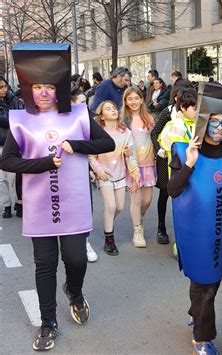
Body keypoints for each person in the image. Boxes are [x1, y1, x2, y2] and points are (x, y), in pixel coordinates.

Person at [0, 43, 115, 351]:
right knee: (44, 265)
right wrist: (42, 164)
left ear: (59, 88)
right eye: (37, 86)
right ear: (29, 88)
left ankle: (74, 291)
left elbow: (106, 144)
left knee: (76, 259)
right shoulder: (21, 120)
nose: (43, 93)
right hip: (39, 207)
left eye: (49, 86)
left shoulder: (78, 115)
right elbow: (7, 161)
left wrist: (76, 145)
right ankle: (48, 322)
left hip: (75, 203)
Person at [168, 82, 222, 354]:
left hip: (216, 233)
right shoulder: (184, 150)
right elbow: (172, 189)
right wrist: (190, 164)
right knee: (205, 285)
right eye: (214, 121)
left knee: (211, 281)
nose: (220, 127)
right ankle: (202, 337)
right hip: (193, 232)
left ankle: (196, 313)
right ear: (205, 121)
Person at [89, 100, 140, 256]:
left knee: (119, 207)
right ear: (102, 116)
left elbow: (131, 155)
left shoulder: (125, 132)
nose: (113, 110)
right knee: (110, 206)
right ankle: (109, 240)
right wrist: (98, 170)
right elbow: (91, 155)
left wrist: (135, 173)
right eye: (108, 109)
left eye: (114, 108)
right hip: (104, 174)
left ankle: (108, 221)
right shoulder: (97, 132)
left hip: (120, 174)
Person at [150, 82, 193, 244]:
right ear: (175, 97)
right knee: (165, 192)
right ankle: (161, 227)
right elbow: (155, 132)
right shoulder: (167, 112)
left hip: (186, 160)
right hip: (166, 158)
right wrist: (158, 150)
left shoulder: (193, 114)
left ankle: (185, 229)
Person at [121, 86, 156, 247]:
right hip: (132, 166)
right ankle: (137, 231)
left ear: (141, 99)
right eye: (130, 99)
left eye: (136, 98)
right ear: (126, 101)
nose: (133, 102)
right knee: (136, 199)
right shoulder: (122, 120)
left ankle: (139, 218)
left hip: (148, 164)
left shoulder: (149, 118)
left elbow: (156, 138)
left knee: (147, 200)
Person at [0, 75, 23, 219]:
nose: (3, 90)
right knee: (1, 179)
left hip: (14, 143)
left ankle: (18, 203)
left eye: (4, 86)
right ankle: (6, 205)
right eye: (0, 87)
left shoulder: (15, 99)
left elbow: (20, 118)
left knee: (16, 177)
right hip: (0, 143)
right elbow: (9, 120)